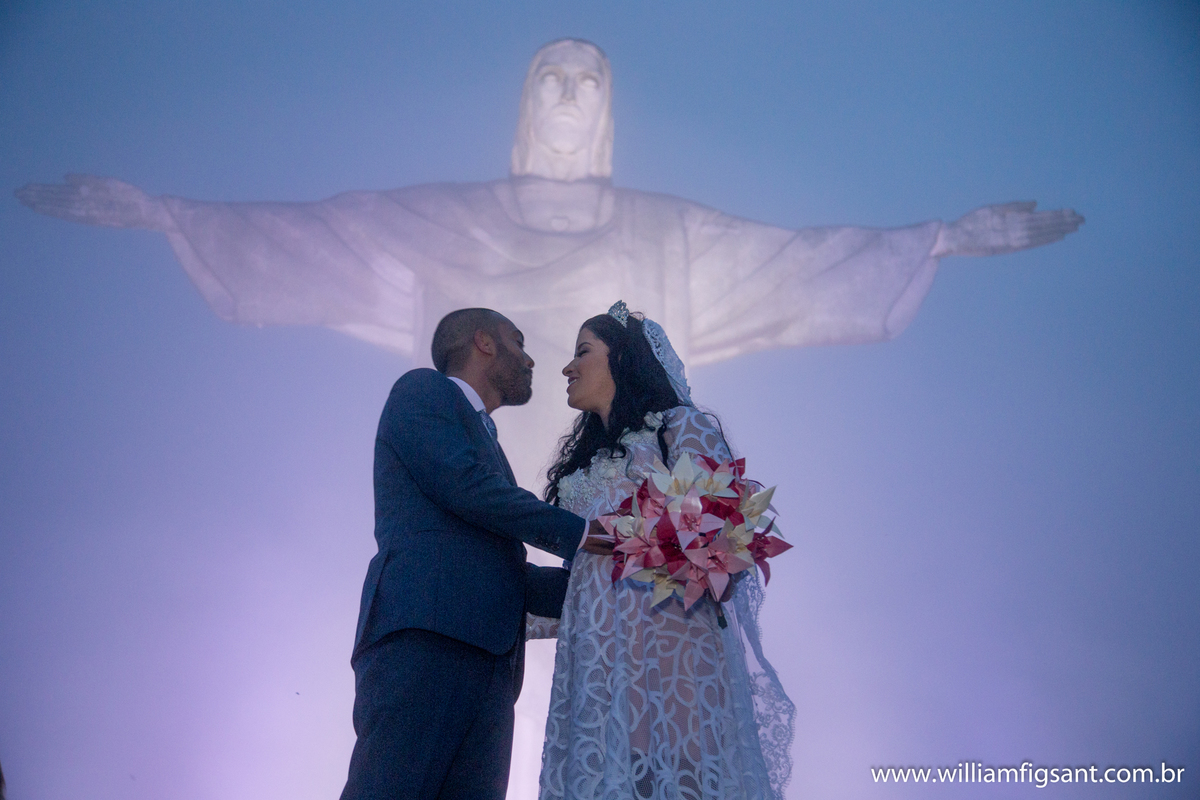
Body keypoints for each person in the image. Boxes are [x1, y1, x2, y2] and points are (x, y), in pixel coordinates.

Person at [14, 38, 1084, 486]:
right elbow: (314, 237)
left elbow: (792, 263)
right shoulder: (443, 219)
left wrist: (938, 237)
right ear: (528, 106)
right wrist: (163, 213)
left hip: (622, 511)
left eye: (590, 80)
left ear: (608, 110)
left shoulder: (667, 233)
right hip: (477, 500)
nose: (571, 95)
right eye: (553, 78)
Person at [530, 301, 793, 800]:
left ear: (623, 358)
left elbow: (719, 538)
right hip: (598, 667)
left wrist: (622, 537)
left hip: (672, 654)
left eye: (583, 351)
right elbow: (580, 588)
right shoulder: (580, 475)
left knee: (678, 781)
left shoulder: (678, 427)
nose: (568, 366)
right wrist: (508, 615)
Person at [341, 307, 604, 800]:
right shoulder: (422, 391)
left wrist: (620, 580)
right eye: (518, 342)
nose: (530, 359)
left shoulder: (490, 445)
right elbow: (466, 487)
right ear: (484, 342)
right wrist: (592, 536)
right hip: (425, 635)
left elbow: (503, 571)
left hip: (494, 668)